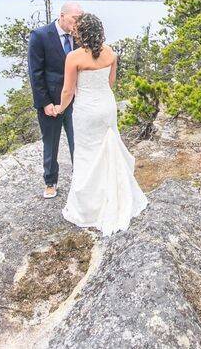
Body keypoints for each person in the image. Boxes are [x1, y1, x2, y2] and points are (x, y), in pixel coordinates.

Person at [52, 12, 148, 235]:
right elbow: (110, 82)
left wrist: (60, 108)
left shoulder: (74, 57)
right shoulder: (111, 53)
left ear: (80, 32)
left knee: (87, 154)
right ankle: (116, 194)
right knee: (108, 149)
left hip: (86, 110)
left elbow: (68, 90)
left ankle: (88, 207)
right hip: (106, 106)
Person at [27, 1, 84, 199]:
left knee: (78, 141)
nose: (77, 23)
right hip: (51, 101)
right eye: (75, 19)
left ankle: (81, 179)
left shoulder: (80, 37)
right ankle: (50, 181)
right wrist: (45, 103)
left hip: (76, 101)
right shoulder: (40, 36)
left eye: (80, 19)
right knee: (51, 143)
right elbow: (35, 73)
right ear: (62, 15)